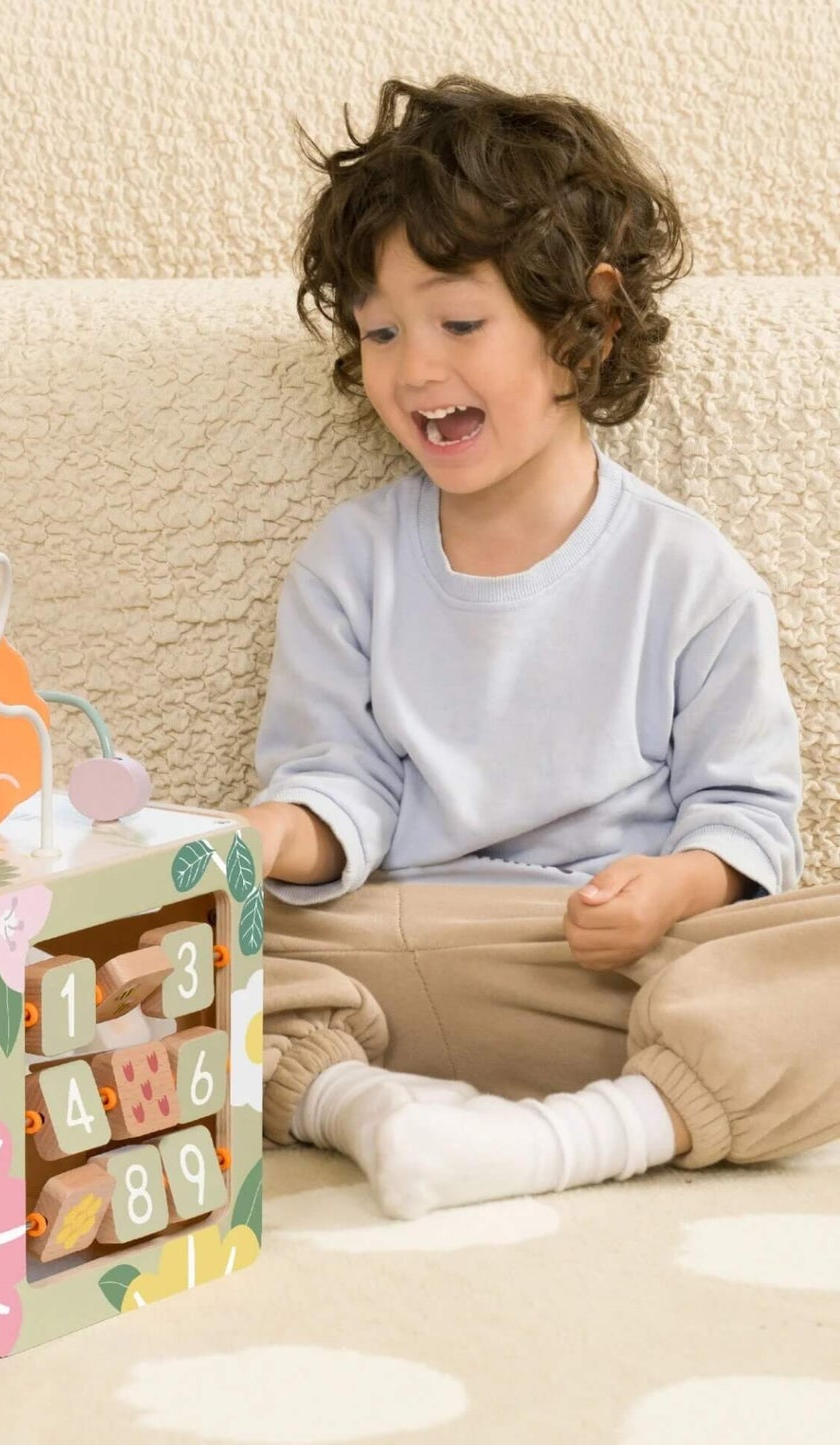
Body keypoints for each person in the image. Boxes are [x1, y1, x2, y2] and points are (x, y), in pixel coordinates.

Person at [238, 73, 837, 1221]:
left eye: (459, 322)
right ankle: (365, 1108)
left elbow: (748, 812)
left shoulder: (687, 573)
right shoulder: (348, 561)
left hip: (605, 973)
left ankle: (565, 1138)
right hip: (389, 945)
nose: (413, 369)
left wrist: (672, 886)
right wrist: (269, 833)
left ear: (586, 323)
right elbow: (335, 784)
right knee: (163, 943)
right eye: (378, 329)